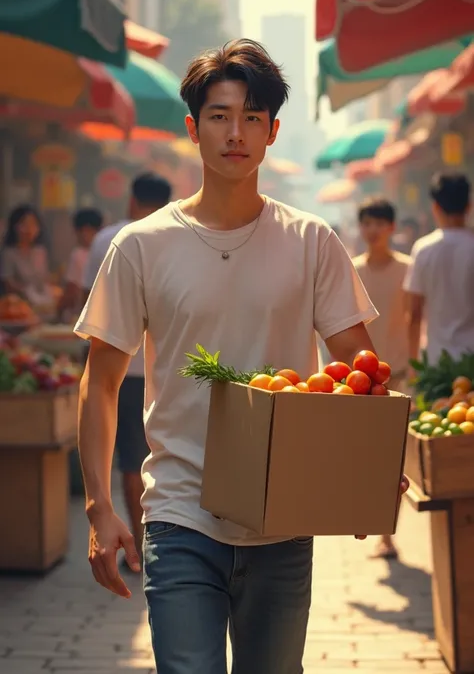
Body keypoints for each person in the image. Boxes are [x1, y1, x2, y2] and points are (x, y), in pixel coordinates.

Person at [75, 39, 409, 674]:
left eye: (252, 117)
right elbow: (100, 381)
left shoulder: (313, 243)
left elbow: (360, 375)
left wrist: (364, 475)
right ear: (193, 128)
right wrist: (99, 507)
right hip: (178, 514)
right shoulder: (140, 248)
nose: (236, 132)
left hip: (283, 520)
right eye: (221, 115)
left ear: (273, 131)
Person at [82, 172, 172, 564]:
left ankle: (137, 543)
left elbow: (91, 303)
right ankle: (153, 540)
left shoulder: (108, 239)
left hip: (120, 369)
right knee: (160, 454)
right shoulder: (177, 237)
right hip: (164, 371)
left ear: (132, 201)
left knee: (130, 458)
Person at [353, 196, 412, 561]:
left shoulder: (408, 269)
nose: (372, 230)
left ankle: (387, 535)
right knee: (362, 456)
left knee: (396, 459)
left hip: (400, 376)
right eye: (367, 223)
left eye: (379, 223)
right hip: (360, 383)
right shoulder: (352, 269)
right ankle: (362, 519)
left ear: (391, 227)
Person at [405, 172, 474, 367]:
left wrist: (413, 364)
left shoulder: (423, 250)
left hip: (437, 362)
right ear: (469, 205)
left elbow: (414, 314)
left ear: (435, 207)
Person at [0, 205, 53, 309]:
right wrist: (27, 293)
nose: (29, 229)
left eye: (33, 224)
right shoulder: (8, 253)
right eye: (24, 224)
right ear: (15, 226)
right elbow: (8, 284)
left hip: (42, 304)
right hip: (16, 306)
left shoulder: (40, 252)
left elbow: (45, 280)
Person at [57, 208, 103, 321]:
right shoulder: (104, 251)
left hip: (82, 315)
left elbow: (71, 291)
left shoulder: (78, 254)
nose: (84, 235)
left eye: (88, 230)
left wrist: (58, 311)